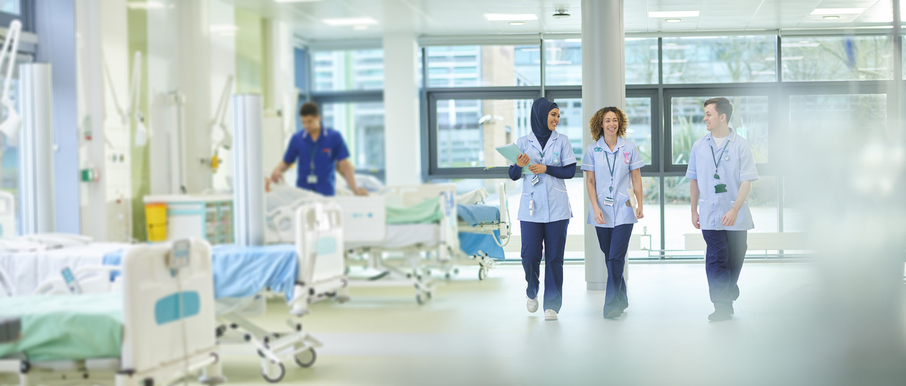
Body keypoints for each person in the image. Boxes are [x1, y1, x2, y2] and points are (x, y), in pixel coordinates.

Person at [686, 97, 758, 322]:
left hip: (735, 213)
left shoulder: (741, 145)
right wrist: (693, 211)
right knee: (717, 257)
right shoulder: (699, 145)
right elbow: (694, 180)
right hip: (709, 213)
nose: (705, 118)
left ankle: (728, 288)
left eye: (709, 114)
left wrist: (735, 209)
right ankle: (722, 304)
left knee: (736, 255)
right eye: (705, 114)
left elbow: (747, 181)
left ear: (723, 116)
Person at [509, 97, 576, 321]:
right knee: (529, 256)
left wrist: (547, 168)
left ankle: (552, 305)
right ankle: (531, 290)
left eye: (558, 115)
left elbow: (570, 171)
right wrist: (519, 166)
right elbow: (513, 176)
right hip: (531, 208)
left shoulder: (562, 140)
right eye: (553, 115)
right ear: (540, 115)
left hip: (557, 208)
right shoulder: (523, 141)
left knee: (555, 258)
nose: (556, 119)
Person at [582, 106, 644, 320]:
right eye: (608, 120)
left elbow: (636, 178)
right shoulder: (592, 150)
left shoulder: (630, 147)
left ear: (620, 123)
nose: (612, 124)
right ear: (601, 124)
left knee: (616, 257)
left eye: (615, 120)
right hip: (602, 211)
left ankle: (610, 306)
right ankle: (622, 298)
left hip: (625, 208)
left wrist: (640, 205)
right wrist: (595, 207)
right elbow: (590, 181)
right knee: (610, 257)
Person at [270, 102, 367, 197]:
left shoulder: (334, 137)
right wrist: (278, 170)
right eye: (303, 122)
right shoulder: (297, 139)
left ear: (318, 118)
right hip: (303, 193)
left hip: (326, 193)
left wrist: (355, 190)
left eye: (309, 121)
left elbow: (344, 165)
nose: (306, 125)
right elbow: (287, 161)